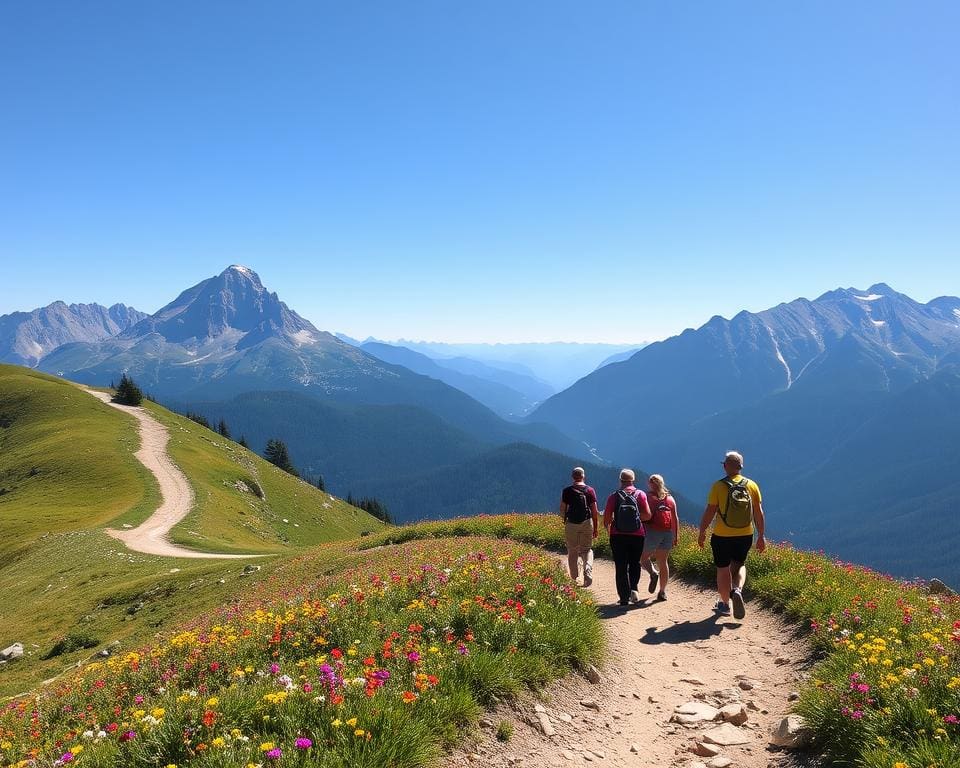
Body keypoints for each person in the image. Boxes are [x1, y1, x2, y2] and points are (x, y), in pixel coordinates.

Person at [697, 451, 766, 619]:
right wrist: (761, 535)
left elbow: (710, 511)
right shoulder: (752, 485)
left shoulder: (718, 486)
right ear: (741, 466)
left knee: (723, 569)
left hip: (722, 535)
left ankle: (725, 605)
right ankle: (737, 590)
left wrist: (702, 531)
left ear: (726, 466)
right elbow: (758, 512)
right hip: (745, 534)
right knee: (740, 564)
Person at [603, 469, 651, 606]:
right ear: (633, 480)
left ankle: (624, 597)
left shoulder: (614, 496)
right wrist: (635, 518)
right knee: (635, 563)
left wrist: (612, 527)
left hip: (617, 535)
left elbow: (606, 519)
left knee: (621, 565)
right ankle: (634, 589)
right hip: (637, 535)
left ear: (620, 480)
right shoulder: (640, 494)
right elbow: (647, 515)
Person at [640, 474, 679, 601]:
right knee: (663, 562)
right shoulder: (670, 498)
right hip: (667, 533)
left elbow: (646, 515)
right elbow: (675, 518)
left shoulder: (648, 497)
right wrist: (675, 535)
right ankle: (662, 592)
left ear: (650, 484)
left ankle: (653, 573)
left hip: (652, 532)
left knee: (642, 558)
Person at [559, 466, 599, 587]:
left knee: (572, 550)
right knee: (587, 550)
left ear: (572, 477)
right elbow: (595, 511)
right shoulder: (590, 490)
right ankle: (588, 568)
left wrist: (565, 520)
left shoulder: (567, 491)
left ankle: (574, 578)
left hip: (571, 523)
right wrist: (595, 528)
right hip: (587, 522)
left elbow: (562, 509)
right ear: (583, 476)